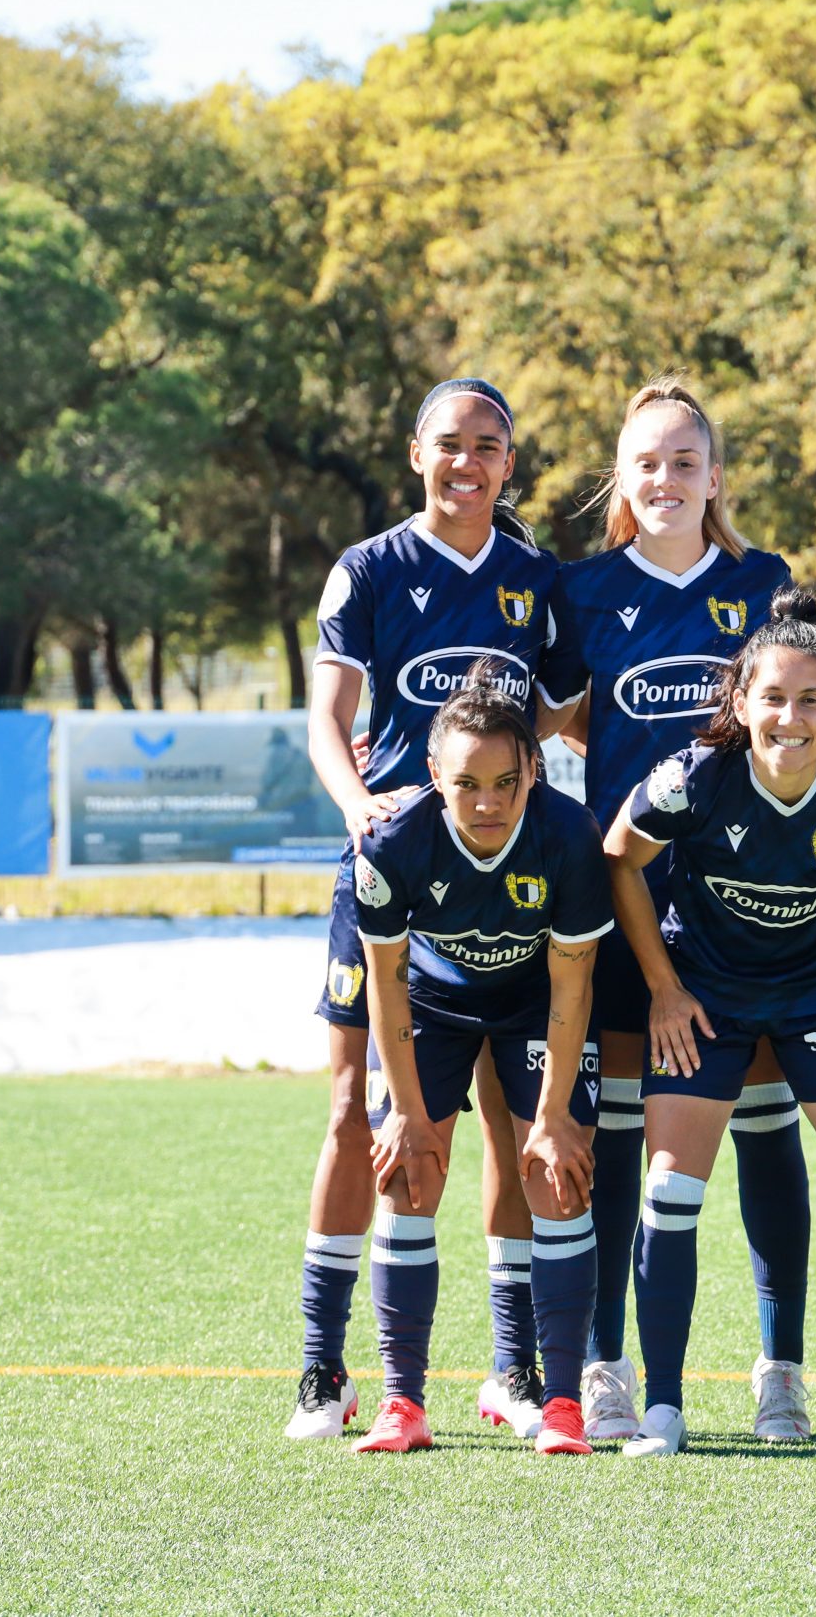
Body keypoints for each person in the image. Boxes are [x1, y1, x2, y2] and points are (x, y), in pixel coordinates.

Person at [541, 378, 816, 1443]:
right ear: (624, 477)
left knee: (759, 1127)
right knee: (622, 1141)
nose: (666, 480)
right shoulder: (583, 588)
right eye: (646, 463)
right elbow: (566, 717)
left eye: (685, 462)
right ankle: (605, 1361)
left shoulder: (764, 582)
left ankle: (780, 1367)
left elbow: (806, 710)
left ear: (716, 477)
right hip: (626, 904)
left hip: (747, 907)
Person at [287, 377, 564, 1443]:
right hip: (391, 875)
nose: (467, 462)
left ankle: (511, 1368)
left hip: (504, 882)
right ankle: (323, 1368)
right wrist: (361, 805)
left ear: (508, 461)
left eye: (487, 446)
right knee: (359, 1110)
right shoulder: (367, 570)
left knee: (505, 1113)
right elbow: (327, 719)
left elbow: (567, 709)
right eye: (449, 444)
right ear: (416, 454)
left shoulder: (536, 576)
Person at [599, 591, 816, 1459]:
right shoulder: (696, 775)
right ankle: (664, 1407)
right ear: (740, 701)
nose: (790, 717)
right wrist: (664, 989)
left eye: (811, 700)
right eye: (772, 698)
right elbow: (619, 858)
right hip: (708, 996)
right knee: (670, 1195)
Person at [348, 680, 614, 1456]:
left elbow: (573, 983)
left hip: (536, 1001)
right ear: (435, 775)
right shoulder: (393, 843)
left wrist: (558, 1114)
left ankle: (562, 1402)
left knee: (559, 1176)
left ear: (534, 769)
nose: (487, 802)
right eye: (465, 783)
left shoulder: (569, 836)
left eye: (504, 782)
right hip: (430, 1003)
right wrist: (405, 1109)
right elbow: (387, 986)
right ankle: (403, 1403)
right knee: (409, 1167)